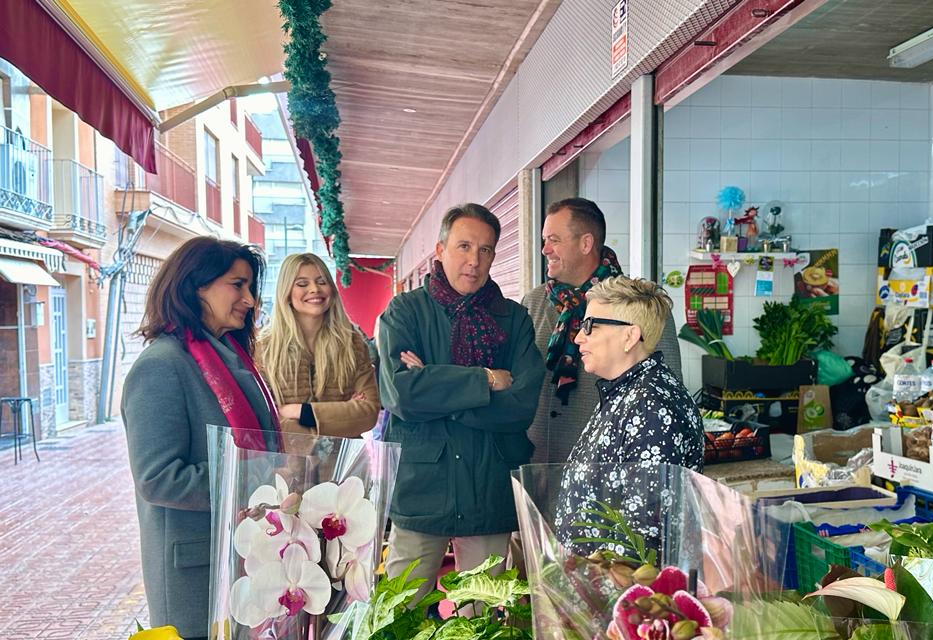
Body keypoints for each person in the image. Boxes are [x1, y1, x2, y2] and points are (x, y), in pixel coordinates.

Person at [122, 236, 279, 640]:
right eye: (237, 285)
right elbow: (158, 477)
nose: (249, 299)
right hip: (198, 580)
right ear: (196, 287)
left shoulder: (232, 355)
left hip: (241, 563)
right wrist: (259, 480)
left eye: (251, 287)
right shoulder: (162, 365)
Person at [378, 203, 544, 599]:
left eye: (485, 250)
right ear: (440, 250)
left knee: (484, 626)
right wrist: (485, 380)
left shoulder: (514, 319)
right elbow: (401, 394)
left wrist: (436, 387)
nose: (474, 260)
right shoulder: (404, 312)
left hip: (487, 486)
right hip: (421, 488)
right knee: (399, 619)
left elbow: (521, 405)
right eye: (464, 246)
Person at [522, 197, 684, 464]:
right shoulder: (534, 302)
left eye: (554, 239)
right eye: (544, 240)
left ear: (586, 243)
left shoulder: (639, 306)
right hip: (539, 464)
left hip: (605, 472)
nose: (545, 249)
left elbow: (667, 388)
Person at [556, 276, 704, 553]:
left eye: (590, 326)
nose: (578, 338)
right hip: (596, 581)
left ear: (629, 336)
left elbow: (646, 535)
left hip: (619, 589)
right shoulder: (627, 392)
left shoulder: (651, 407)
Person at [255, 252, 380, 439]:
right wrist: (341, 416)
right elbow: (264, 420)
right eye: (302, 284)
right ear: (286, 293)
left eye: (322, 282)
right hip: (287, 466)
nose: (314, 289)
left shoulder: (352, 344)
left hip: (344, 465)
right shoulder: (264, 349)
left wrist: (300, 412)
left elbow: (368, 413)